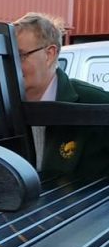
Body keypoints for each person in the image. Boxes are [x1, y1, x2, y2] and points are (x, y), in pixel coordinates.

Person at [13, 12, 109, 177]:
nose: (12, 64)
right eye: (8, 56)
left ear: (49, 54)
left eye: (20, 56)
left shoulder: (96, 103)